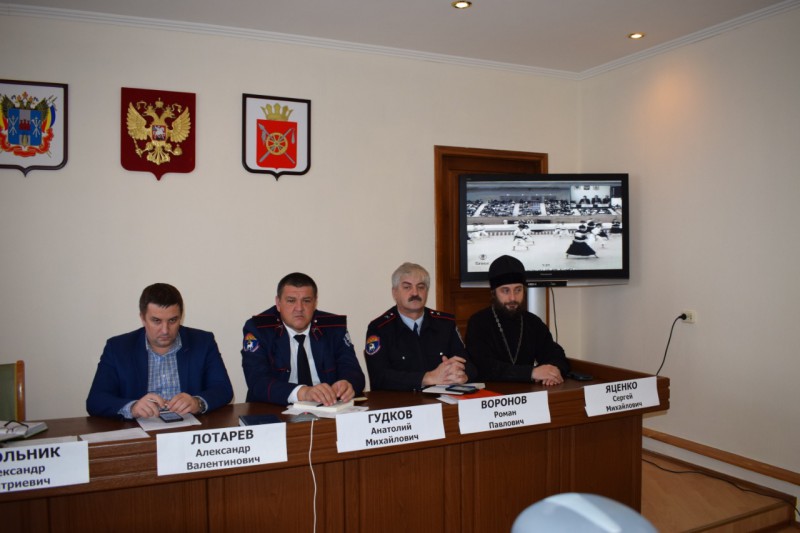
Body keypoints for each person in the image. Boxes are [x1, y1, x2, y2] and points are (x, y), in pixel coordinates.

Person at [86, 283, 234, 419]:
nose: (165, 330)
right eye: (156, 321)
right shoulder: (118, 348)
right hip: (140, 430)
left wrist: (197, 402)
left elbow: (223, 389)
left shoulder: (203, 342)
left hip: (188, 430)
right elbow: (96, 400)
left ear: (181, 317)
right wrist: (133, 407)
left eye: (172, 320)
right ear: (143, 318)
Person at [241, 272, 365, 406]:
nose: (299, 308)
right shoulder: (259, 329)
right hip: (275, 408)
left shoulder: (333, 328)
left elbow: (353, 371)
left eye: (306, 301)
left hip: (327, 407)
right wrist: (302, 393)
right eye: (291, 301)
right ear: (278, 303)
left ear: (315, 303)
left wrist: (347, 384)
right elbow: (257, 382)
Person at [365, 262, 477, 391]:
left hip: (443, 398)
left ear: (427, 291)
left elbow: (469, 365)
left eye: (421, 287)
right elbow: (379, 377)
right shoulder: (380, 328)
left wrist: (462, 375)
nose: (415, 293)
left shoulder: (445, 324)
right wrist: (426, 378)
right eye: (407, 287)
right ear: (394, 292)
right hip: (401, 401)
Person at [465, 255, 570, 385]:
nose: (513, 298)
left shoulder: (533, 322)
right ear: (494, 293)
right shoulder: (478, 322)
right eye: (505, 291)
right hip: (492, 393)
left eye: (518, 290)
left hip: (528, 392)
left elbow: (556, 354)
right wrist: (531, 373)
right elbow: (483, 367)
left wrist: (554, 370)